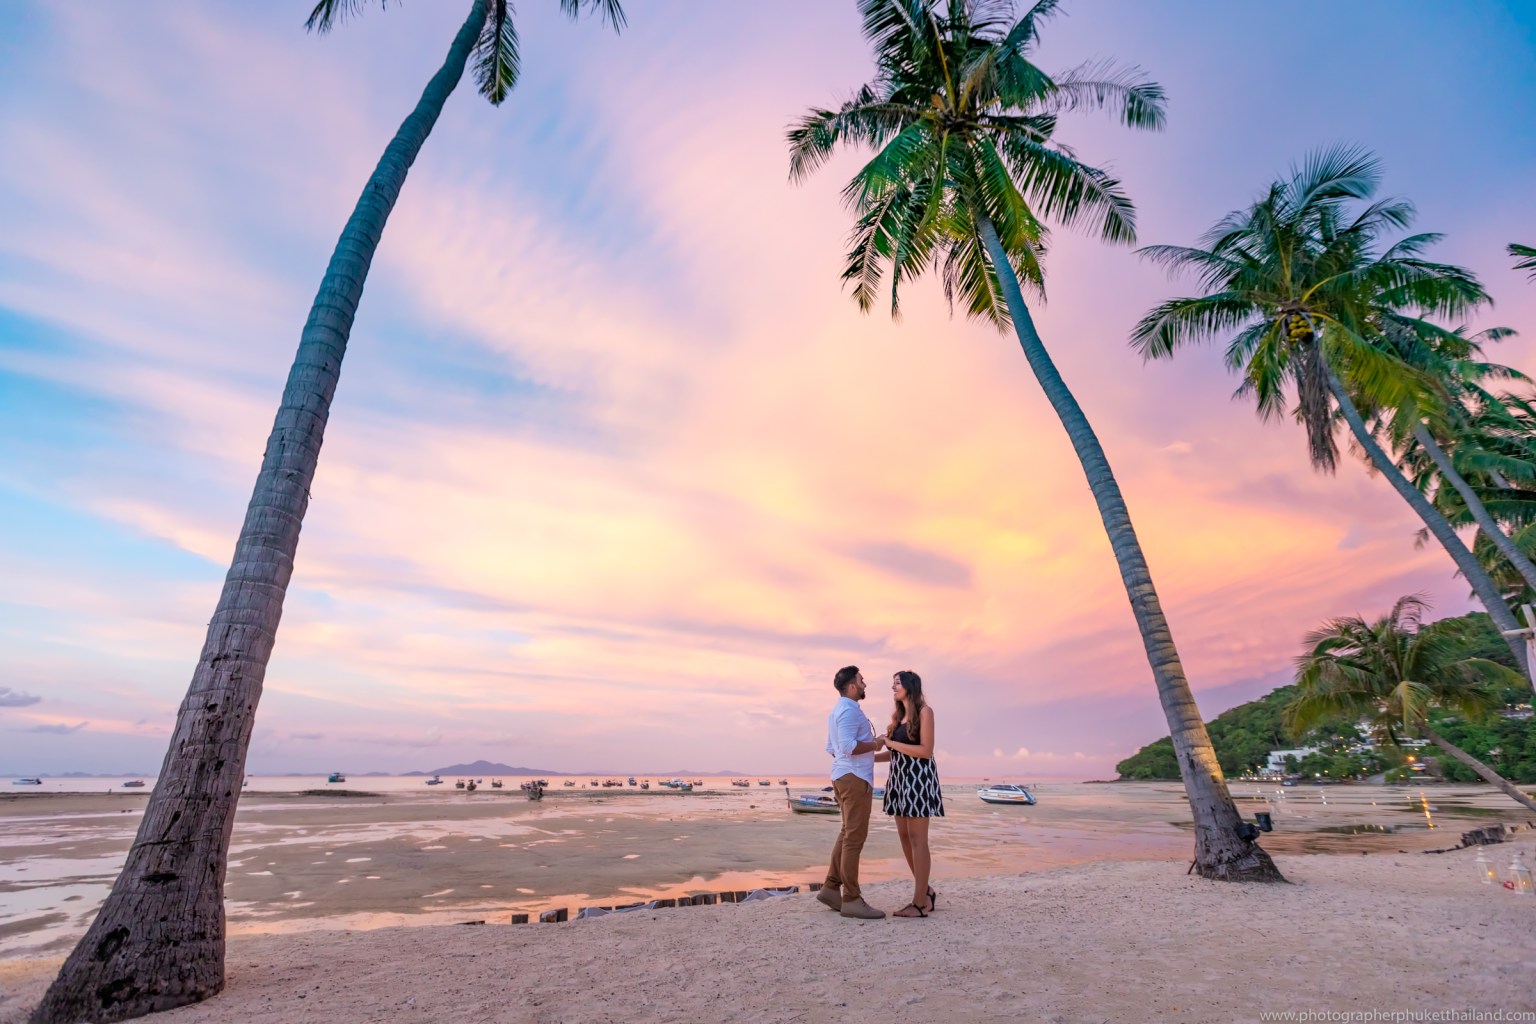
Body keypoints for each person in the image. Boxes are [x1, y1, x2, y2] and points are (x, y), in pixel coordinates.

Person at [819, 665, 886, 919]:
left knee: (847, 834)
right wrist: (876, 744)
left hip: (843, 776)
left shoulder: (837, 711)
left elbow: (831, 747)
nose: (865, 684)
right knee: (855, 839)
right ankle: (852, 898)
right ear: (851, 686)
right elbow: (846, 746)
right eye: (861, 680)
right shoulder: (848, 711)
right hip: (854, 779)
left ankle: (830, 888)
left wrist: (862, 753)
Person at [877, 670, 943, 918]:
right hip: (898, 781)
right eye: (892, 683)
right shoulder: (898, 718)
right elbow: (894, 754)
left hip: (918, 781)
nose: (893, 688)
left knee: (918, 841)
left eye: (897, 683)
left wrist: (890, 742)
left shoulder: (926, 712)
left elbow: (925, 750)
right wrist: (866, 757)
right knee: (905, 839)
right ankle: (925, 892)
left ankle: (919, 903)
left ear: (910, 687)